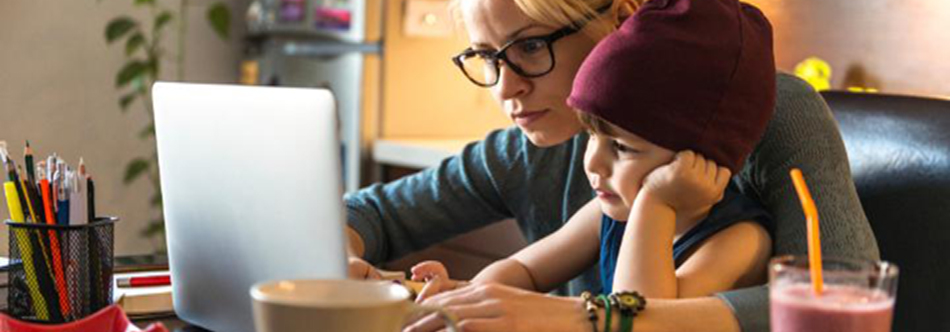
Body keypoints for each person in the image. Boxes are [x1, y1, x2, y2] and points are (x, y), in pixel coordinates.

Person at [345, 0, 879, 331]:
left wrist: (574, 318)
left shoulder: (759, 113)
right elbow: (370, 215)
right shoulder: (532, 148)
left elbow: (835, 303)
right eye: (486, 57)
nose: (506, 88)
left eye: (530, 46)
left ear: (624, 20)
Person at [408, 0, 777, 306]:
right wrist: (466, 298)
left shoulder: (738, 240)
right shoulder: (612, 208)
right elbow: (523, 270)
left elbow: (639, 318)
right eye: (591, 136)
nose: (594, 163)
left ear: (700, 152)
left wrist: (654, 206)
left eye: (621, 147)